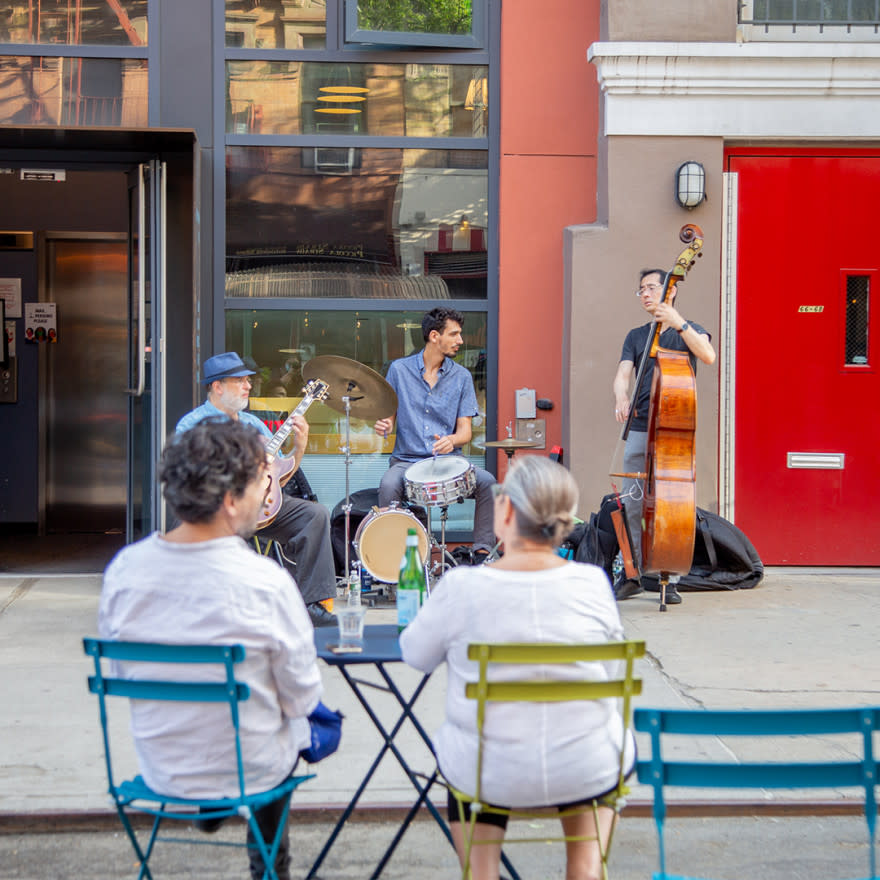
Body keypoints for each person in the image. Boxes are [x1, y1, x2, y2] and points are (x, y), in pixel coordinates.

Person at [98, 419, 323, 880]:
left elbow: (122, 666)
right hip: (252, 767)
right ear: (228, 500)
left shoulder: (125, 570)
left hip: (162, 768)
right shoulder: (266, 583)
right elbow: (303, 697)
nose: (265, 495)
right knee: (300, 723)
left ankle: (213, 808)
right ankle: (269, 867)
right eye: (257, 485)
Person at [400, 457, 633, 880]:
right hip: (585, 767)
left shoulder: (461, 587)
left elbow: (414, 654)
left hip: (487, 771)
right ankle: (585, 870)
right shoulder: (593, 585)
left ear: (506, 513)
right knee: (592, 754)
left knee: (472, 761)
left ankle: (482, 872)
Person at [176, 351, 337, 627]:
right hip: (218, 511)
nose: (249, 386)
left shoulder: (253, 424)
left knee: (316, 514)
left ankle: (311, 604)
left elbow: (279, 478)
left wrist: (300, 445)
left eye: (248, 380)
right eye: (240, 381)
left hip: (260, 507)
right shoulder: (192, 425)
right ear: (217, 387)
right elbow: (188, 479)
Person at [612, 268, 716, 604]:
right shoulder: (636, 335)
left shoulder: (691, 330)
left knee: (671, 509)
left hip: (673, 434)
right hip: (641, 428)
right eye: (640, 289)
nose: (644, 293)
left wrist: (678, 321)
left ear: (669, 290)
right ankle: (636, 572)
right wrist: (621, 397)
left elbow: (708, 355)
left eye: (651, 287)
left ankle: (667, 576)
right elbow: (622, 374)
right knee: (631, 503)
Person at [373, 307, 496, 562]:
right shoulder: (398, 370)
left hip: (449, 462)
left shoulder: (461, 377)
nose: (460, 341)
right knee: (387, 485)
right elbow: (388, 419)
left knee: (488, 482)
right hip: (406, 460)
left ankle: (483, 555)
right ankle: (392, 560)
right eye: (454, 334)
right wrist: (384, 426)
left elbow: (465, 432)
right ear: (434, 336)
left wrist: (452, 440)